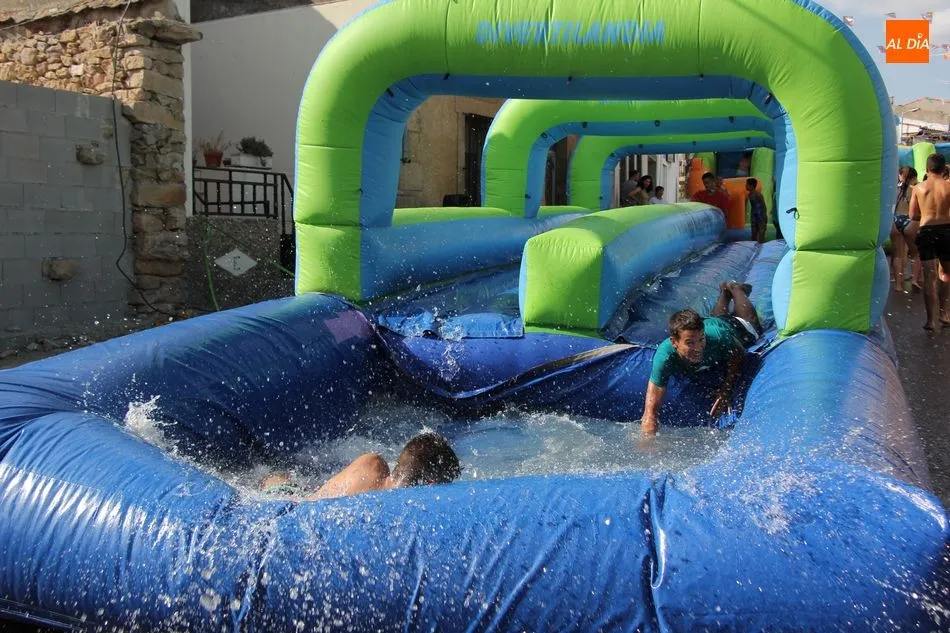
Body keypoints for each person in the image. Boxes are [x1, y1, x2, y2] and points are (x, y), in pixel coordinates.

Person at [640, 282, 761, 435]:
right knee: (717, 318)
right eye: (690, 343)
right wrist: (648, 436)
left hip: (733, 328)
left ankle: (735, 288)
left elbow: (738, 353)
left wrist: (726, 389)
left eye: (701, 340)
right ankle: (724, 292)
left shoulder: (717, 337)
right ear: (674, 342)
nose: (698, 348)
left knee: (752, 325)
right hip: (713, 324)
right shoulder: (665, 355)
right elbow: (650, 412)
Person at [261, 432, 462, 500]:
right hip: (286, 500)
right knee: (278, 479)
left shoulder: (372, 464)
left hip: (296, 500)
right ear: (431, 484)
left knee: (281, 478)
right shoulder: (373, 471)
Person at [910, 153, 950, 331]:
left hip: (926, 231)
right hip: (946, 230)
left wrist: (927, 214)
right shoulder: (948, 186)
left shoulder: (919, 188)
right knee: (946, 274)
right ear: (944, 169)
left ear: (927, 168)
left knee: (929, 276)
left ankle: (931, 321)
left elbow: (912, 215)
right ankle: (944, 313)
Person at [891, 167, 920, 293]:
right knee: (916, 253)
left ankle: (898, 284)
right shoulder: (915, 190)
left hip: (895, 220)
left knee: (897, 254)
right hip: (909, 221)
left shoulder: (894, 189)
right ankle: (914, 279)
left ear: (900, 176)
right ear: (913, 178)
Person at [746, 178, 767, 243]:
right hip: (754, 214)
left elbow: (763, 206)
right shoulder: (749, 194)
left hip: (760, 215)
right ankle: (754, 244)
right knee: (754, 231)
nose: (746, 186)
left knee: (761, 231)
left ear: (751, 186)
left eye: (747, 185)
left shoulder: (758, 194)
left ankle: (761, 244)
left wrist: (764, 217)